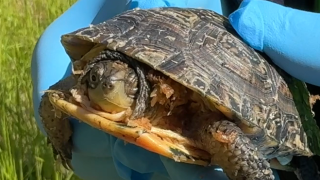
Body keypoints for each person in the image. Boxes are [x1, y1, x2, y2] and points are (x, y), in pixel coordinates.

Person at [31, 0, 320, 179]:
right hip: (145, 28)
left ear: (141, 89)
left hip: (254, 83)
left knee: (291, 158)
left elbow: (227, 136)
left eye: (117, 85)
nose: (106, 86)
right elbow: (56, 97)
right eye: (95, 78)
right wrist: (61, 139)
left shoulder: (203, 121)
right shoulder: (77, 86)